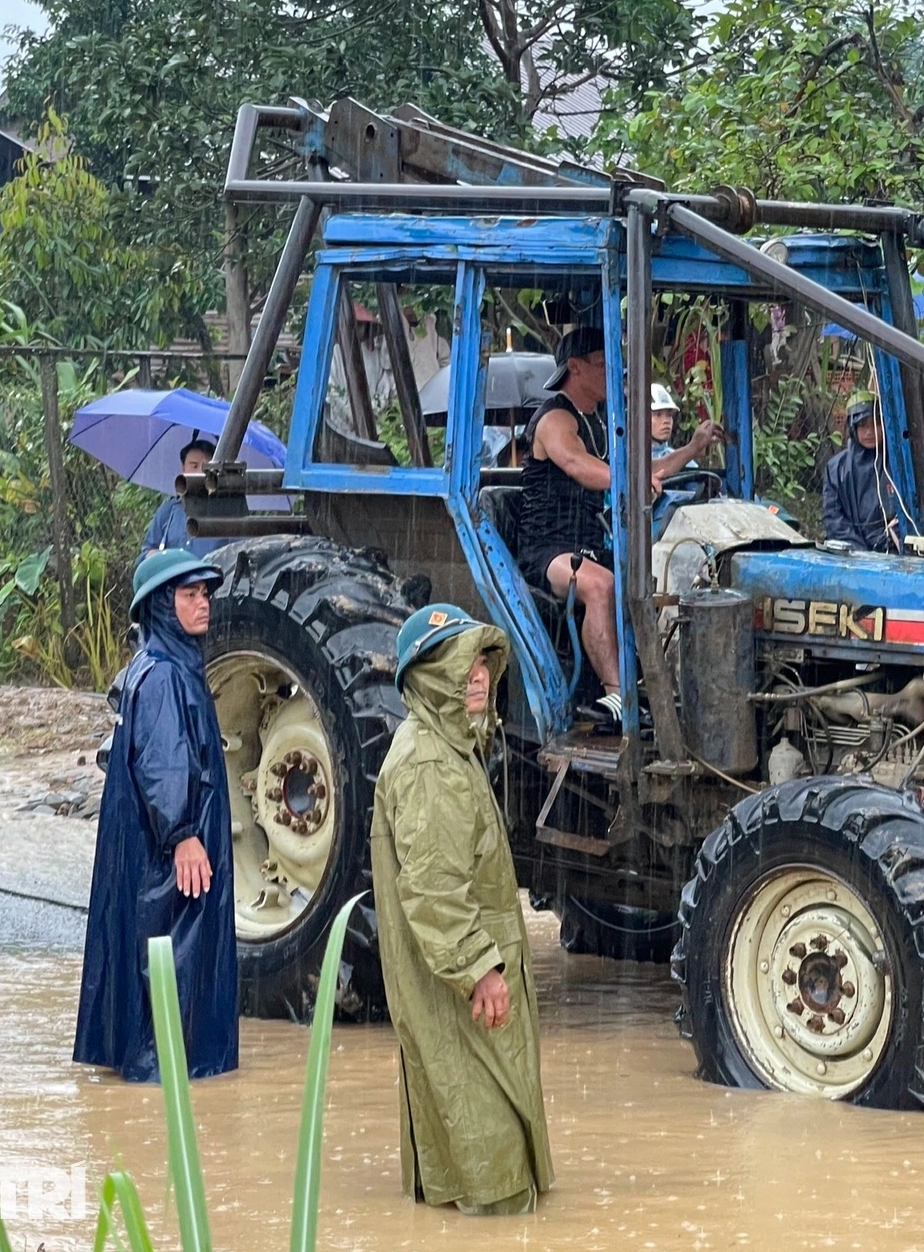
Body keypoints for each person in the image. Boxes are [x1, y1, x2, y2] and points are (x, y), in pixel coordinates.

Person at [372, 604, 554, 1216]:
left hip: (458, 975)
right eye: (459, 665)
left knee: (472, 1119)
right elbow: (433, 889)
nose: (477, 676)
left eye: (481, 662)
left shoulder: (449, 748)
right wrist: (481, 969)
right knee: (492, 1160)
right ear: (426, 677)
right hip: (462, 980)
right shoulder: (429, 764)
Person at [74, 549, 237, 1082]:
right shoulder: (165, 675)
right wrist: (185, 835)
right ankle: (162, 1076)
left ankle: (152, 1065)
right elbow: (165, 763)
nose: (202, 603)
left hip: (154, 851)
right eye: (189, 595)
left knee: (154, 949)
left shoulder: (155, 666)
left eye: (204, 593)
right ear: (162, 607)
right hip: (171, 853)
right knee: (174, 954)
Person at [516, 326, 633, 727]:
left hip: (587, 545)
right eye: (603, 365)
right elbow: (575, 464)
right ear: (576, 368)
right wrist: (629, 481)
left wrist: (691, 449)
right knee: (600, 585)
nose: (612, 374)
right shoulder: (554, 419)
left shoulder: (599, 422)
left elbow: (637, 471)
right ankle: (617, 698)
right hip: (546, 550)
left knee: (650, 575)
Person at [822, 396, 898, 552]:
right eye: (863, 425)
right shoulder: (837, 468)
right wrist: (859, 552)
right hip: (853, 555)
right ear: (853, 428)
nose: (869, 432)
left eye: (875, 424)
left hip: (894, 551)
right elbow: (833, 518)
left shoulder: (898, 463)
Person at [141, 439, 220, 559]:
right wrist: (153, 556)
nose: (200, 472)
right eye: (194, 466)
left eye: (206, 467)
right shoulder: (168, 511)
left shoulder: (227, 513)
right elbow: (146, 552)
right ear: (183, 468)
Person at [647, 382, 724, 476]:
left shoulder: (683, 460)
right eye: (658, 414)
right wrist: (695, 446)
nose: (666, 421)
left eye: (669, 415)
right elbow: (651, 469)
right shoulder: (630, 459)